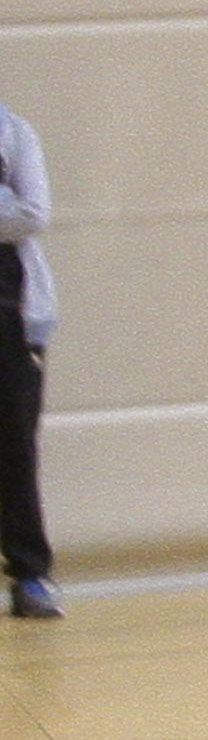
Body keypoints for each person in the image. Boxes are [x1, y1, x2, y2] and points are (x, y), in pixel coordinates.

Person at [0, 98, 52, 618]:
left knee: (14, 447)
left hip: (12, 318)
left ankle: (31, 575)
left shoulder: (14, 132)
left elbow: (32, 214)